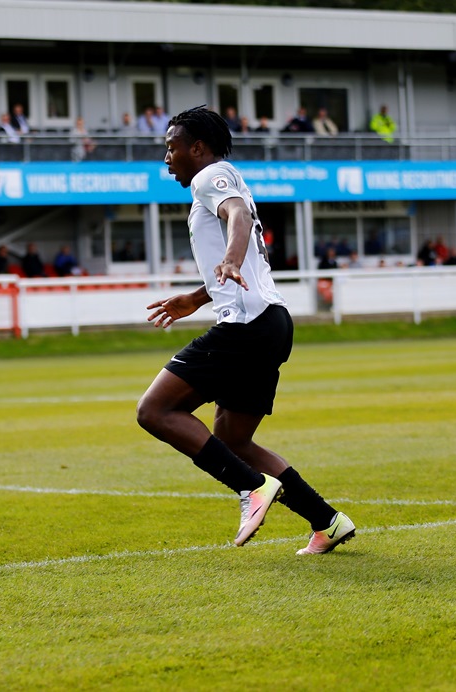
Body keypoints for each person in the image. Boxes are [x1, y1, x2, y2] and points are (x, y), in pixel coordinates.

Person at [137, 106, 354, 555]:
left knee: (155, 411)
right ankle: (327, 521)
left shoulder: (210, 176)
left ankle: (251, 488)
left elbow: (238, 217)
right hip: (271, 323)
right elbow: (239, 239)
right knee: (233, 439)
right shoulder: (225, 176)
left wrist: (231, 261)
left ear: (197, 148)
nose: (167, 158)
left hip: (247, 327)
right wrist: (197, 298)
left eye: (172, 148)